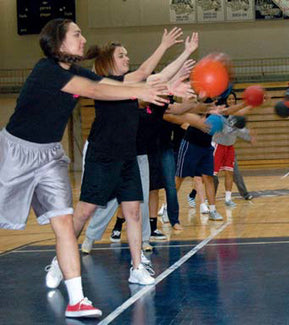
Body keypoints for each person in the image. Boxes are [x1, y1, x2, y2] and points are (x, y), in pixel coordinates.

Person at [0, 18, 167, 318]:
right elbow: (96, 90)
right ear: (59, 42)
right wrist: (139, 92)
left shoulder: (74, 70)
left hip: (50, 155)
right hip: (15, 153)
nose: (82, 38)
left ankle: (76, 300)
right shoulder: (47, 71)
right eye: (76, 34)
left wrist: (153, 84)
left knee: (64, 223)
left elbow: (114, 84)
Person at [68, 29, 194, 287]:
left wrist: (186, 52)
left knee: (134, 211)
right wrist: (163, 46)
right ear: (108, 61)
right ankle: (63, 258)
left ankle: (137, 267)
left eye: (127, 54)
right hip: (102, 155)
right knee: (84, 211)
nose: (127, 58)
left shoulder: (130, 83)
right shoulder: (105, 83)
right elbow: (145, 73)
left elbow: (158, 76)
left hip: (127, 155)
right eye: (122, 55)